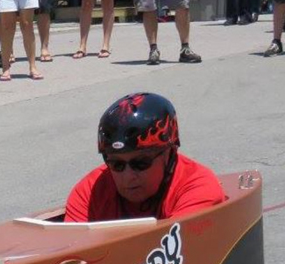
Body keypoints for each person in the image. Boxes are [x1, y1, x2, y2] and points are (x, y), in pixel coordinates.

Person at [65, 93, 224, 222]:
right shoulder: (88, 193)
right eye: (116, 164)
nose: (128, 176)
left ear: (169, 153)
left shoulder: (198, 187)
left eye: (141, 163)